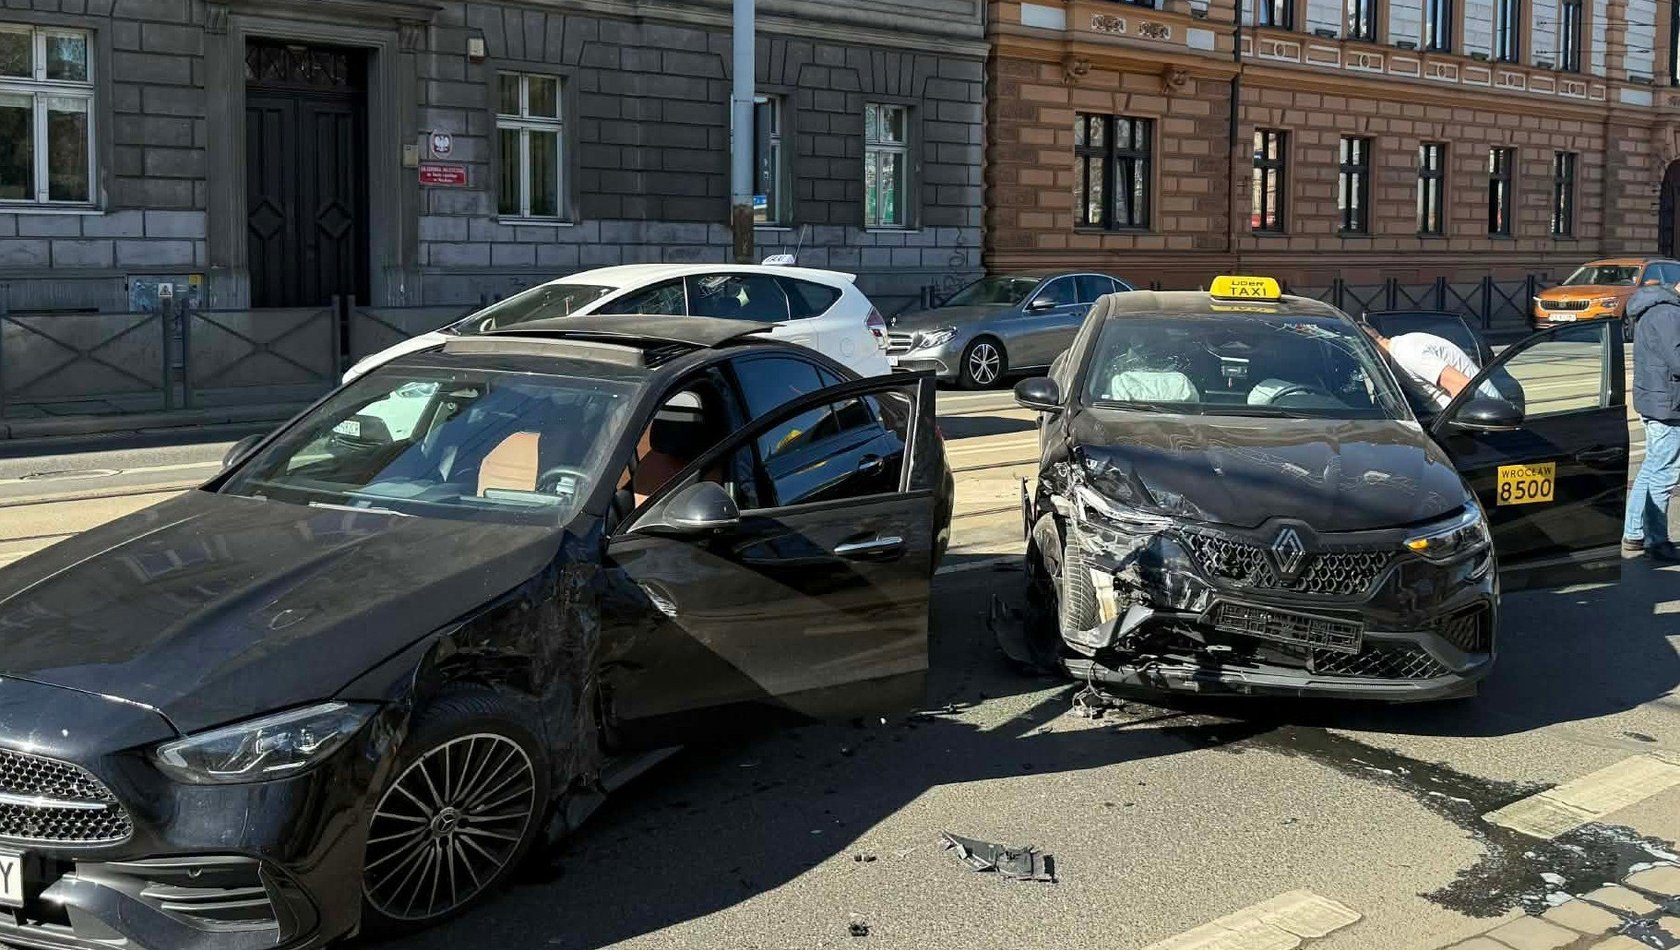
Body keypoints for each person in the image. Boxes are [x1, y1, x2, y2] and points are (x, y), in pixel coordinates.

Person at [1623, 282, 1680, 562]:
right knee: (1665, 473)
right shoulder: (1669, 313)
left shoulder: (1654, 308)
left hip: (1656, 400)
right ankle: (1656, 541)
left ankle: (1634, 531)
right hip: (1668, 405)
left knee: (1652, 467)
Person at [1361, 325, 1498, 412]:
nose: (1367, 365)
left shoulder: (1407, 352)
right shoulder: (1397, 355)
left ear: (1368, 348)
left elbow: (1462, 388)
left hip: (1481, 418)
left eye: (1362, 358)